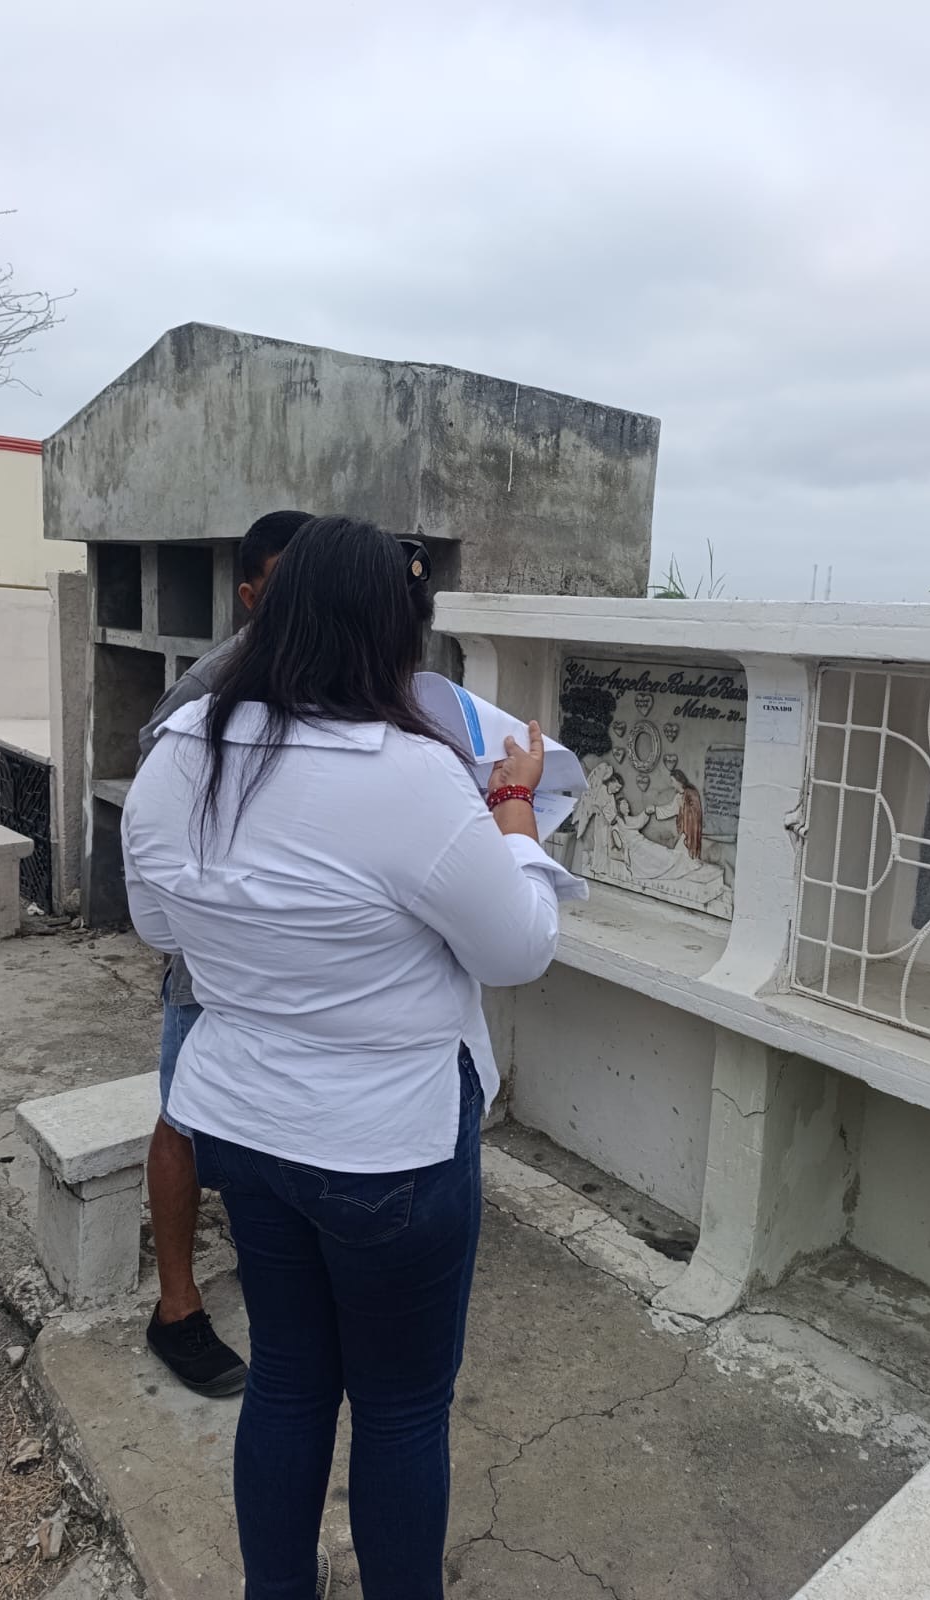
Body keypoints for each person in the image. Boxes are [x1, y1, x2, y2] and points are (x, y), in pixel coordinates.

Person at [121, 517, 584, 1600]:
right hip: (389, 1148)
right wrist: (514, 807)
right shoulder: (411, 775)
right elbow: (517, 951)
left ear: (274, 615)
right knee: (400, 1407)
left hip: (243, 1126)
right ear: (393, 632)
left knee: (288, 1380)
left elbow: (159, 926)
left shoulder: (180, 753)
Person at [137, 509, 314, 1396]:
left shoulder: (331, 673)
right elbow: (157, 791)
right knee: (183, 1117)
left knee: (277, 1113)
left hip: (288, 950)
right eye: (287, 589)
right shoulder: (215, 683)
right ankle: (176, 1309)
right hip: (211, 950)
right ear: (250, 596)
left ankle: (273, 1262)